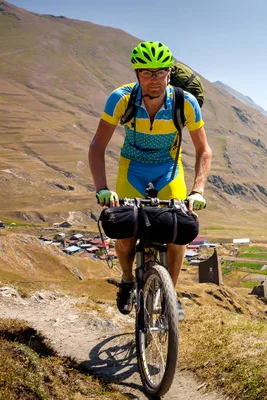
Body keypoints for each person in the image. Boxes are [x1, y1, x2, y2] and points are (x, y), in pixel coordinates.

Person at [88, 41, 212, 321]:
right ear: (137, 75)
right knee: (125, 233)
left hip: (169, 169)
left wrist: (197, 191)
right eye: (146, 73)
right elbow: (97, 146)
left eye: (160, 73)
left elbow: (204, 150)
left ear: (169, 73)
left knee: (178, 232)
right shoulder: (121, 99)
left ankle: (171, 296)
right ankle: (128, 278)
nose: (154, 80)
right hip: (132, 168)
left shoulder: (184, 102)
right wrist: (102, 189)